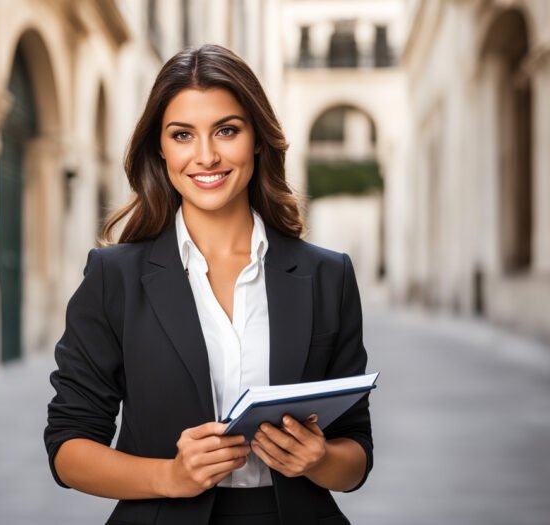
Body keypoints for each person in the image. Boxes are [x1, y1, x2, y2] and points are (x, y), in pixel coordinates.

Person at [44, 44, 372, 525]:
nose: (206, 155)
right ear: (160, 147)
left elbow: (357, 455)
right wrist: (169, 477)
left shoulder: (328, 276)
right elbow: (67, 449)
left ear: (257, 139)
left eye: (226, 130)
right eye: (182, 135)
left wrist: (319, 460)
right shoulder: (114, 278)